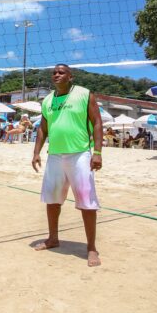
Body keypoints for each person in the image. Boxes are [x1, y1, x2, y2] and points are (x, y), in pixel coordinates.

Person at [31, 64, 103, 267]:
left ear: (70, 76)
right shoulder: (47, 100)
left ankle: (91, 248)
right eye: (54, 72)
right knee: (52, 200)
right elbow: (43, 129)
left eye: (61, 72)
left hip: (79, 154)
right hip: (55, 155)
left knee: (86, 201)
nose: (56, 74)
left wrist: (97, 152)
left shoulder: (84, 94)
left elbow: (97, 122)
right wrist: (36, 152)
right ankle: (53, 238)